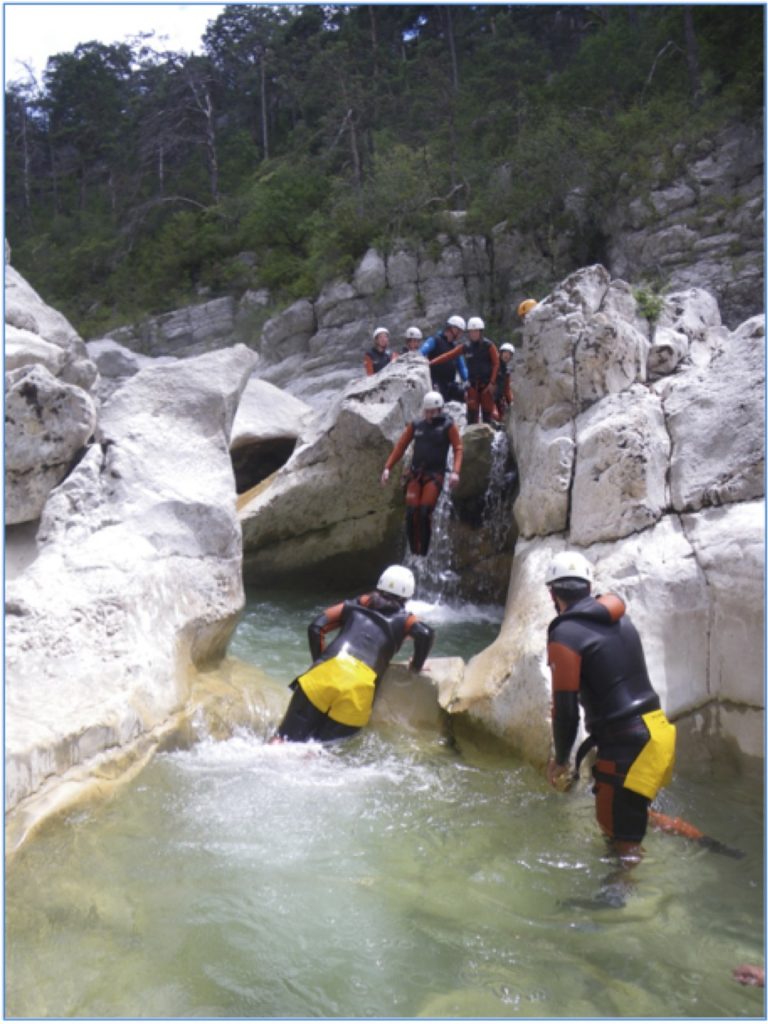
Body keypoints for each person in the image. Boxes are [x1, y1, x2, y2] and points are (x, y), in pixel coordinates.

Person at [544, 551, 676, 866]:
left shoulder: (565, 633)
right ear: (589, 587)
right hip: (657, 733)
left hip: (626, 747)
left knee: (620, 845)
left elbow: (565, 711)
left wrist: (560, 762)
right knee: (635, 814)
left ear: (552, 593)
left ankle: (617, 904)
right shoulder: (621, 618)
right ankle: (707, 844)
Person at [273, 565, 434, 743]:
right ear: (408, 595)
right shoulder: (406, 621)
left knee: (282, 740)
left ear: (379, 586)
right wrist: (415, 667)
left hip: (324, 674)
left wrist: (319, 662)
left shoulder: (353, 606)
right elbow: (425, 634)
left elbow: (316, 627)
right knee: (318, 752)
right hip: (358, 688)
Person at [380, 390, 463, 556]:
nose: (430, 415)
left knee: (425, 511)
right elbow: (401, 446)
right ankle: (414, 551)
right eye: (427, 411)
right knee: (411, 513)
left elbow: (458, 448)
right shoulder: (417, 424)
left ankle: (424, 551)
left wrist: (455, 472)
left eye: (433, 411)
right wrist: (387, 467)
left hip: (434, 475)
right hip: (415, 474)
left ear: (440, 410)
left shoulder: (448, 425)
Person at [428, 315, 500, 425]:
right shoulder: (466, 347)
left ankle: (489, 437)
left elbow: (496, 364)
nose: (474, 334)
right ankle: (471, 436)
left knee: (487, 415)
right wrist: (431, 362)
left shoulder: (489, 346)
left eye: (476, 331)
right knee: (472, 415)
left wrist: (492, 382)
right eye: (471, 332)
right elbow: (448, 356)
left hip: (486, 385)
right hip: (472, 385)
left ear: (481, 332)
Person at [419, 315, 468, 402]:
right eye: (459, 331)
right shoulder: (435, 340)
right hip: (435, 383)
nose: (460, 334)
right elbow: (421, 353)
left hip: (450, 385)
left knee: (468, 397)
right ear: (453, 329)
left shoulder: (455, 348)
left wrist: (467, 381)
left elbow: (462, 367)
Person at [495, 342, 515, 418]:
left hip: (499, 399)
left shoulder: (507, 372)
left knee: (501, 417)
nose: (506, 355)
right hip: (489, 397)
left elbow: (507, 389)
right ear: (501, 353)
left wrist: (511, 402)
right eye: (505, 352)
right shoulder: (493, 365)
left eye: (509, 354)